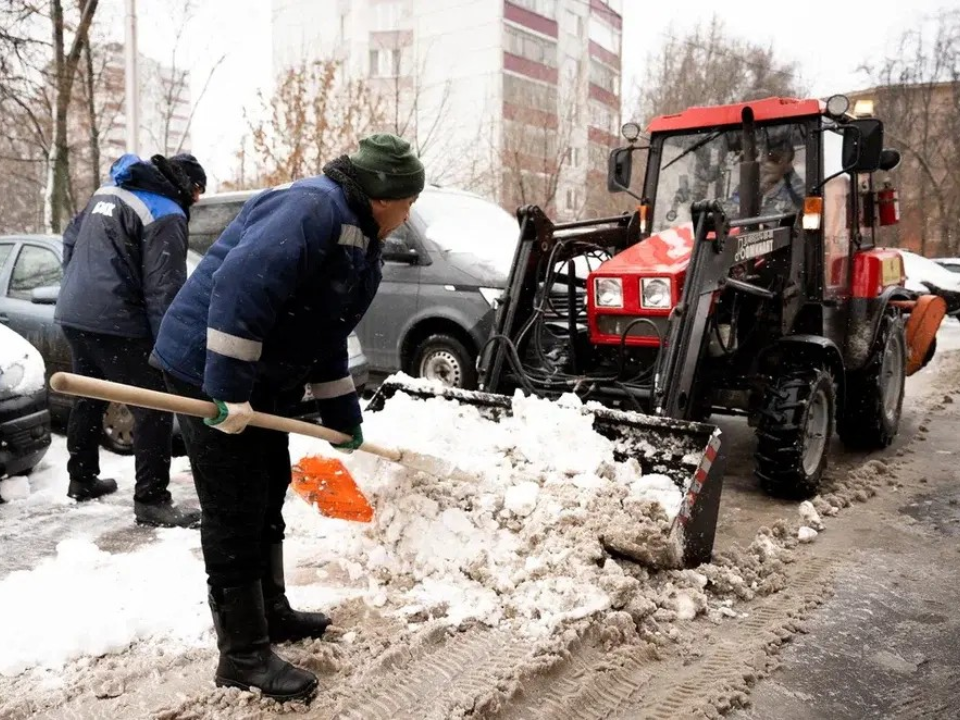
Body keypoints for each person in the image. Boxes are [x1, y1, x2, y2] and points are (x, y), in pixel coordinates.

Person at [151, 134, 424, 701]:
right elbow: (238, 288)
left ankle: (270, 611)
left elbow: (319, 328)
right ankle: (243, 654)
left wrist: (342, 414)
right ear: (384, 196)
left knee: (269, 482)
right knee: (233, 503)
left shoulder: (361, 238)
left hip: (258, 377)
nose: (409, 213)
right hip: (206, 365)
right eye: (408, 201)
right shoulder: (311, 208)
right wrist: (226, 392)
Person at [54, 152, 207, 529]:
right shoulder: (165, 210)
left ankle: (82, 477)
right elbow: (164, 291)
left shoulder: (108, 192)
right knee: (153, 406)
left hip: (75, 315)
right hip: (119, 322)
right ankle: (151, 500)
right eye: (200, 191)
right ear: (188, 185)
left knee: (89, 397)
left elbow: (70, 239)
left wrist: (77, 285)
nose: (200, 200)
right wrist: (169, 350)